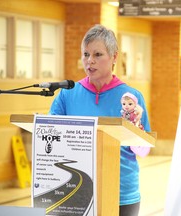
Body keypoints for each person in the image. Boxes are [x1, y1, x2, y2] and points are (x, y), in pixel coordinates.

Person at [48, 24, 151, 216]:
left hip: (121, 194)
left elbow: (143, 151)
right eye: (86, 54)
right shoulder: (66, 94)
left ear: (114, 57)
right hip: (75, 191)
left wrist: (136, 127)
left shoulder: (131, 97)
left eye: (97, 55)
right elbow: (50, 139)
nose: (90, 61)